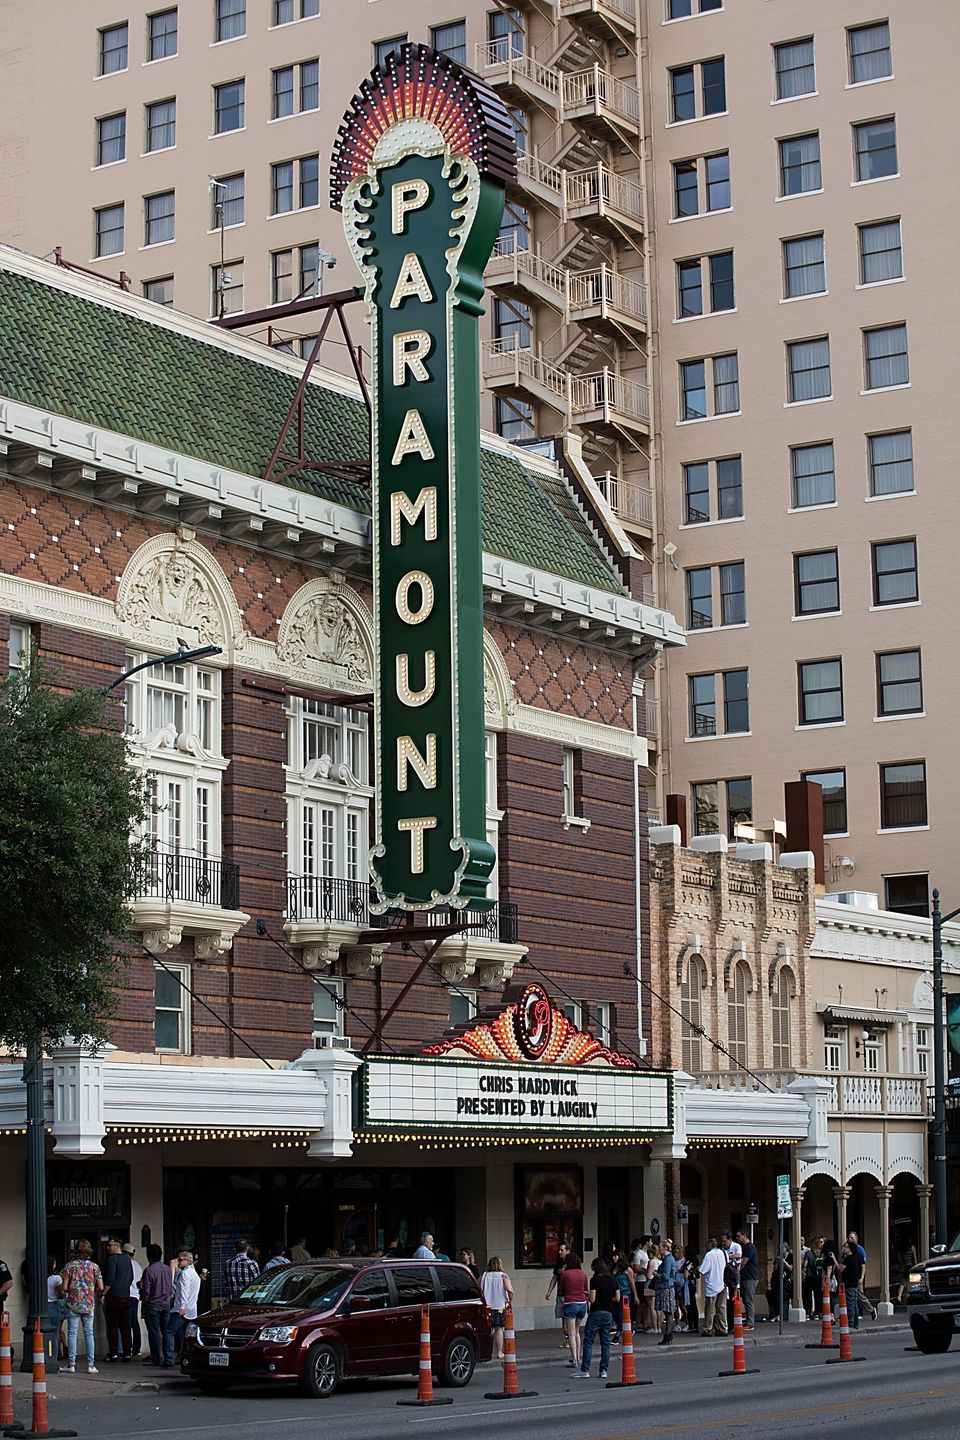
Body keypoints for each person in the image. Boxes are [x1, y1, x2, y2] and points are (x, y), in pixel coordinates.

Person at [59, 1239, 103, 1375]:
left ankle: (71, 1364)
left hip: (73, 1304)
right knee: (89, 1333)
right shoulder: (94, 1267)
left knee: (72, 1333)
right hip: (88, 1304)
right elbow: (101, 1286)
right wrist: (90, 1291)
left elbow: (64, 1287)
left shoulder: (69, 1266)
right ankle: (91, 1365)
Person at [576, 1260, 618, 1378]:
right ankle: (603, 1370)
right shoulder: (612, 1280)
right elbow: (618, 1298)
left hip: (596, 1312)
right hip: (608, 1313)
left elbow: (592, 1299)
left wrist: (587, 1294)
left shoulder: (594, 1280)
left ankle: (585, 1369)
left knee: (589, 1341)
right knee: (605, 1343)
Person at [139, 1243, 173, 1366]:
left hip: (153, 1304)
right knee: (167, 1332)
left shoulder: (148, 1270)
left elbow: (146, 1291)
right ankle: (169, 1357)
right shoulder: (167, 1269)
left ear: (149, 1256)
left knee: (154, 1333)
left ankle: (157, 1358)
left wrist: (144, 1298)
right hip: (166, 1304)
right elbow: (170, 1287)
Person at [165, 1251, 200, 1368]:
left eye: (180, 1260)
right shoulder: (194, 1274)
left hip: (181, 1308)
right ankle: (184, 1356)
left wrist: (182, 1306)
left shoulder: (185, 1274)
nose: (178, 1262)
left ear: (187, 1261)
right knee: (186, 1334)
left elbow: (184, 1291)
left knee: (169, 1331)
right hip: (192, 1309)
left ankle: (169, 1359)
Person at [102, 1237, 134, 1361]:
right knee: (125, 1326)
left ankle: (113, 1352)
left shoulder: (112, 1259)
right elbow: (131, 1277)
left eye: (110, 1245)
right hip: (126, 1296)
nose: (108, 1248)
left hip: (114, 1296)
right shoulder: (127, 1259)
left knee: (113, 1326)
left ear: (116, 1246)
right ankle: (127, 1352)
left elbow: (109, 1278)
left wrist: (104, 1294)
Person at [557, 1251, 589, 1370]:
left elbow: (561, 1289)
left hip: (570, 1303)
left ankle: (574, 1359)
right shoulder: (583, 1273)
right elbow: (586, 1288)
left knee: (570, 1333)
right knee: (577, 1331)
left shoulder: (565, 1274)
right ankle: (579, 1357)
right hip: (582, 1303)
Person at [480, 1257, 514, 1362]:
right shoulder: (503, 1275)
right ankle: (499, 1351)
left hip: (487, 1306)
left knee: (487, 1329)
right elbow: (510, 1290)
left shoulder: (484, 1275)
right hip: (499, 1306)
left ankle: (485, 1352)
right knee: (499, 1329)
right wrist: (510, 1301)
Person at [699, 1237, 728, 1337]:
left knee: (710, 1310)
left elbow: (703, 1270)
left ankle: (708, 1329)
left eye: (706, 1245)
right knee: (721, 1308)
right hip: (723, 1284)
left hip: (712, 1285)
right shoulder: (723, 1253)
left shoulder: (709, 1255)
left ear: (710, 1245)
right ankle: (722, 1328)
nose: (705, 1247)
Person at [545, 1242, 571, 1346]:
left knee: (570, 1316)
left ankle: (571, 1338)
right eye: (559, 1250)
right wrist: (549, 1291)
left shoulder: (573, 1262)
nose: (559, 1252)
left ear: (568, 1251)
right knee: (563, 1316)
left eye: (562, 1250)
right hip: (561, 1293)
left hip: (570, 1293)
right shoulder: (558, 1263)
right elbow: (555, 1277)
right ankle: (566, 1338)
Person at [847, 1231, 876, 1320]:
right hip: (849, 1276)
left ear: (856, 1239)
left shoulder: (860, 1249)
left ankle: (871, 1309)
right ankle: (853, 1315)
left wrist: (862, 1277)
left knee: (860, 1295)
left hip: (857, 1276)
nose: (849, 1239)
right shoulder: (847, 1249)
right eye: (849, 1237)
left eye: (852, 1237)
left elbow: (863, 1265)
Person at [653, 1243, 678, 1345]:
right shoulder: (667, 1259)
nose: (659, 1249)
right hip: (666, 1287)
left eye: (660, 1248)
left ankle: (668, 1334)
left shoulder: (668, 1259)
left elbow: (665, 1276)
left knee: (668, 1312)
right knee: (667, 1311)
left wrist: (655, 1274)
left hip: (666, 1287)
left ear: (665, 1248)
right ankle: (668, 1335)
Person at [735, 1229, 759, 1330]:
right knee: (745, 1299)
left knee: (749, 1300)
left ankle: (750, 1323)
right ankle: (748, 1321)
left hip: (750, 1277)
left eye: (739, 1236)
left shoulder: (750, 1247)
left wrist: (737, 1268)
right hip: (745, 1277)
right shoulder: (743, 1247)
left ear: (744, 1236)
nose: (737, 1238)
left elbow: (744, 1261)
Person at [124, 1243, 143, 1357]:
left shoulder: (125, 1264)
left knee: (126, 1323)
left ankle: (128, 1347)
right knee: (134, 1322)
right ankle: (137, 1347)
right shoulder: (138, 1265)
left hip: (127, 1295)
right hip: (135, 1295)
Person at [612, 1256, 638, 1339]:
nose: (613, 1258)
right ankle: (628, 1327)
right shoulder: (614, 1268)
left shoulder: (627, 1270)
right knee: (614, 1313)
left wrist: (635, 1296)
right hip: (616, 1293)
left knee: (621, 1314)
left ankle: (618, 1334)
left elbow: (632, 1283)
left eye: (615, 1256)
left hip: (625, 1294)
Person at [840, 1240, 863, 1329]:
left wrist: (834, 1258)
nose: (844, 1249)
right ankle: (855, 1323)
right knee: (854, 1303)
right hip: (854, 1283)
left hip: (849, 1283)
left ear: (850, 1249)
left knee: (850, 1304)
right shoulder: (856, 1257)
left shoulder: (849, 1258)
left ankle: (850, 1323)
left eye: (846, 1247)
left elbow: (840, 1268)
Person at [46, 1257, 66, 1360]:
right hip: (53, 1305)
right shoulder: (56, 1278)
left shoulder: (39, 1277)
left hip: (42, 1306)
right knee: (54, 1334)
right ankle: (53, 1358)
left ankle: (44, 1357)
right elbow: (60, 1294)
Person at [896, 1236, 919, 1305]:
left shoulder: (900, 1249)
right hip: (910, 1266)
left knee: (902, 1283)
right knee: (912, 1282)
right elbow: (914, 1258)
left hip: (902, 1267)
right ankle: (908, 1296)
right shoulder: (912, 1248)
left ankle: (899, 1296)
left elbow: (899, 1260)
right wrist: (916, 1266)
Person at [799, 1236, 818, 1318]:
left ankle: (808, 1311)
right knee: (817, 1295)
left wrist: (803, 1274)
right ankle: (817, 1312)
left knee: (808, 1295)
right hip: (818, 1276)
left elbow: (805, 1265)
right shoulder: (821, 1253)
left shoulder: (808, 1253)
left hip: (809, 1276)